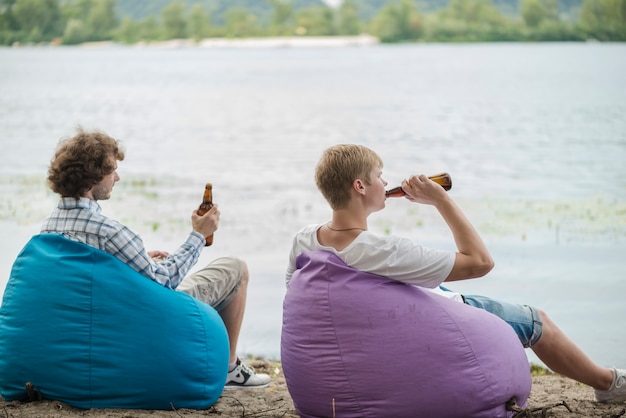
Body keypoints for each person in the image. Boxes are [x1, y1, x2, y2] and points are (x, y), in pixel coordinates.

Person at [286, 143, 625, 403]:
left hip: (356, 351)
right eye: (380, 175)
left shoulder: (304, 240)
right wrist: (441, 201)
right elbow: (480, 261)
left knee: (440, 285)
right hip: (426, 326)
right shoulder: (382, 251)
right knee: (536, 321)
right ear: (360, 186)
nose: (386, 181)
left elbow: (298, 298)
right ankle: (608, 383)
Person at [42, 128, 270, 390]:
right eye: (112, 170)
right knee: (236, 269)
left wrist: (133, 262)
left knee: (160, 268)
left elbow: (87, 272)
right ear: (93, 178)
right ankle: (230, 369)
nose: (117, 177)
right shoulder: (108, 231)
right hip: (139, 320)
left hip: (93, 325)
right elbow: (165, 282)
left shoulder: (49, 226)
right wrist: (198, 235)